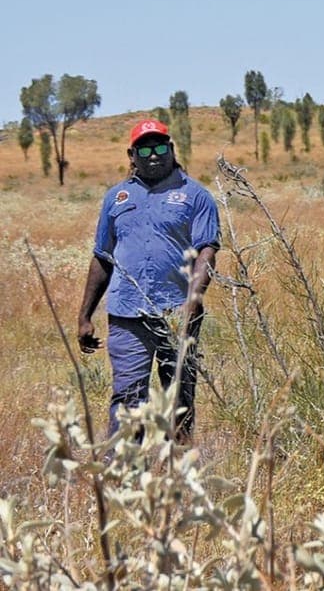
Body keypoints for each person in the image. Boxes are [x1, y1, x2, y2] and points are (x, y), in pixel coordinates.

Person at [77, 119, 220, 442]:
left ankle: (177, 480)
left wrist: (192, 302)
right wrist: (84, 315)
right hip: (126, 314)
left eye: (159, 147)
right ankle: (124, 478)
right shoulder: (116, 198)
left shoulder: (195, 196)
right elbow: (102, 256)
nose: (153, 154)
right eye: (145, 148)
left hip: (176, 315)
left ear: (171, 149)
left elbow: (207, 251)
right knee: (127, 400)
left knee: (179, 400)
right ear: (132, 154)